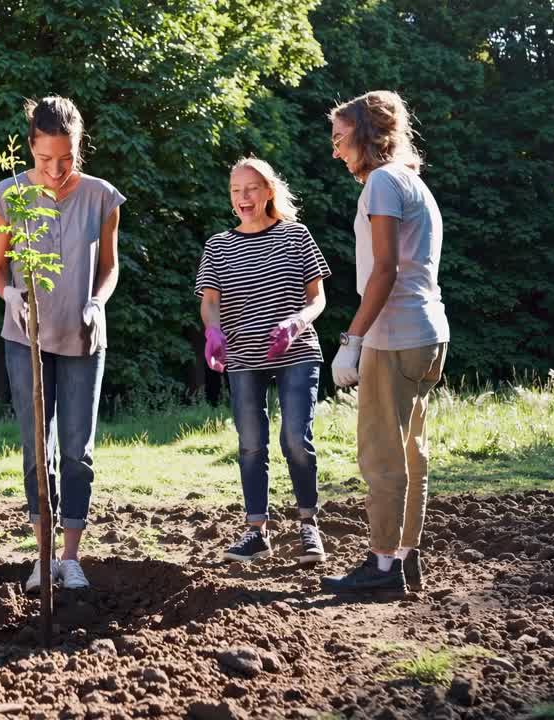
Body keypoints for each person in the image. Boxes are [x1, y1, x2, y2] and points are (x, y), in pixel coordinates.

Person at [0, 96, 125, 594]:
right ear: (31, 148)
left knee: (77, 451)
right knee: (34, 451)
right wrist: (11, 295)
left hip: (84, 339)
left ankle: (70, 558)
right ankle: (42, 556)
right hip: (26, 340)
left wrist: (97, 302)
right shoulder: (6, 197)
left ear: (78, 148)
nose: (57, 169)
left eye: (67, 158)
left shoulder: (102, 196)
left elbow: (109, 267)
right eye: (45, 159)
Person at [320, 90, 449, 595]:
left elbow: (384, 271)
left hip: (394, 336)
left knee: (381, 453)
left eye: (340, 138)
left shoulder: (381, 182)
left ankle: (381, 568)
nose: (335, 151)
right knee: (412, 452)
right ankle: (405, 555)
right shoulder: (413, 182)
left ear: (366, 135)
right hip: (428, 333)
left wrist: (352, 339)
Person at [196, 157, 331, 566]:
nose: (243, 198)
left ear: (269, 191)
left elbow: (318, 297)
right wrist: (214, 332)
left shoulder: (296, 235)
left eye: (251, 189)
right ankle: (257, 532)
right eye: (236, 191)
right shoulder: (218, 245)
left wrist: (297, 321)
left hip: (297, 350)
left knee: (294, 438)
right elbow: (210, 303)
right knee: (251, 444)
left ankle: (308, 525)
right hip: (242, 355)